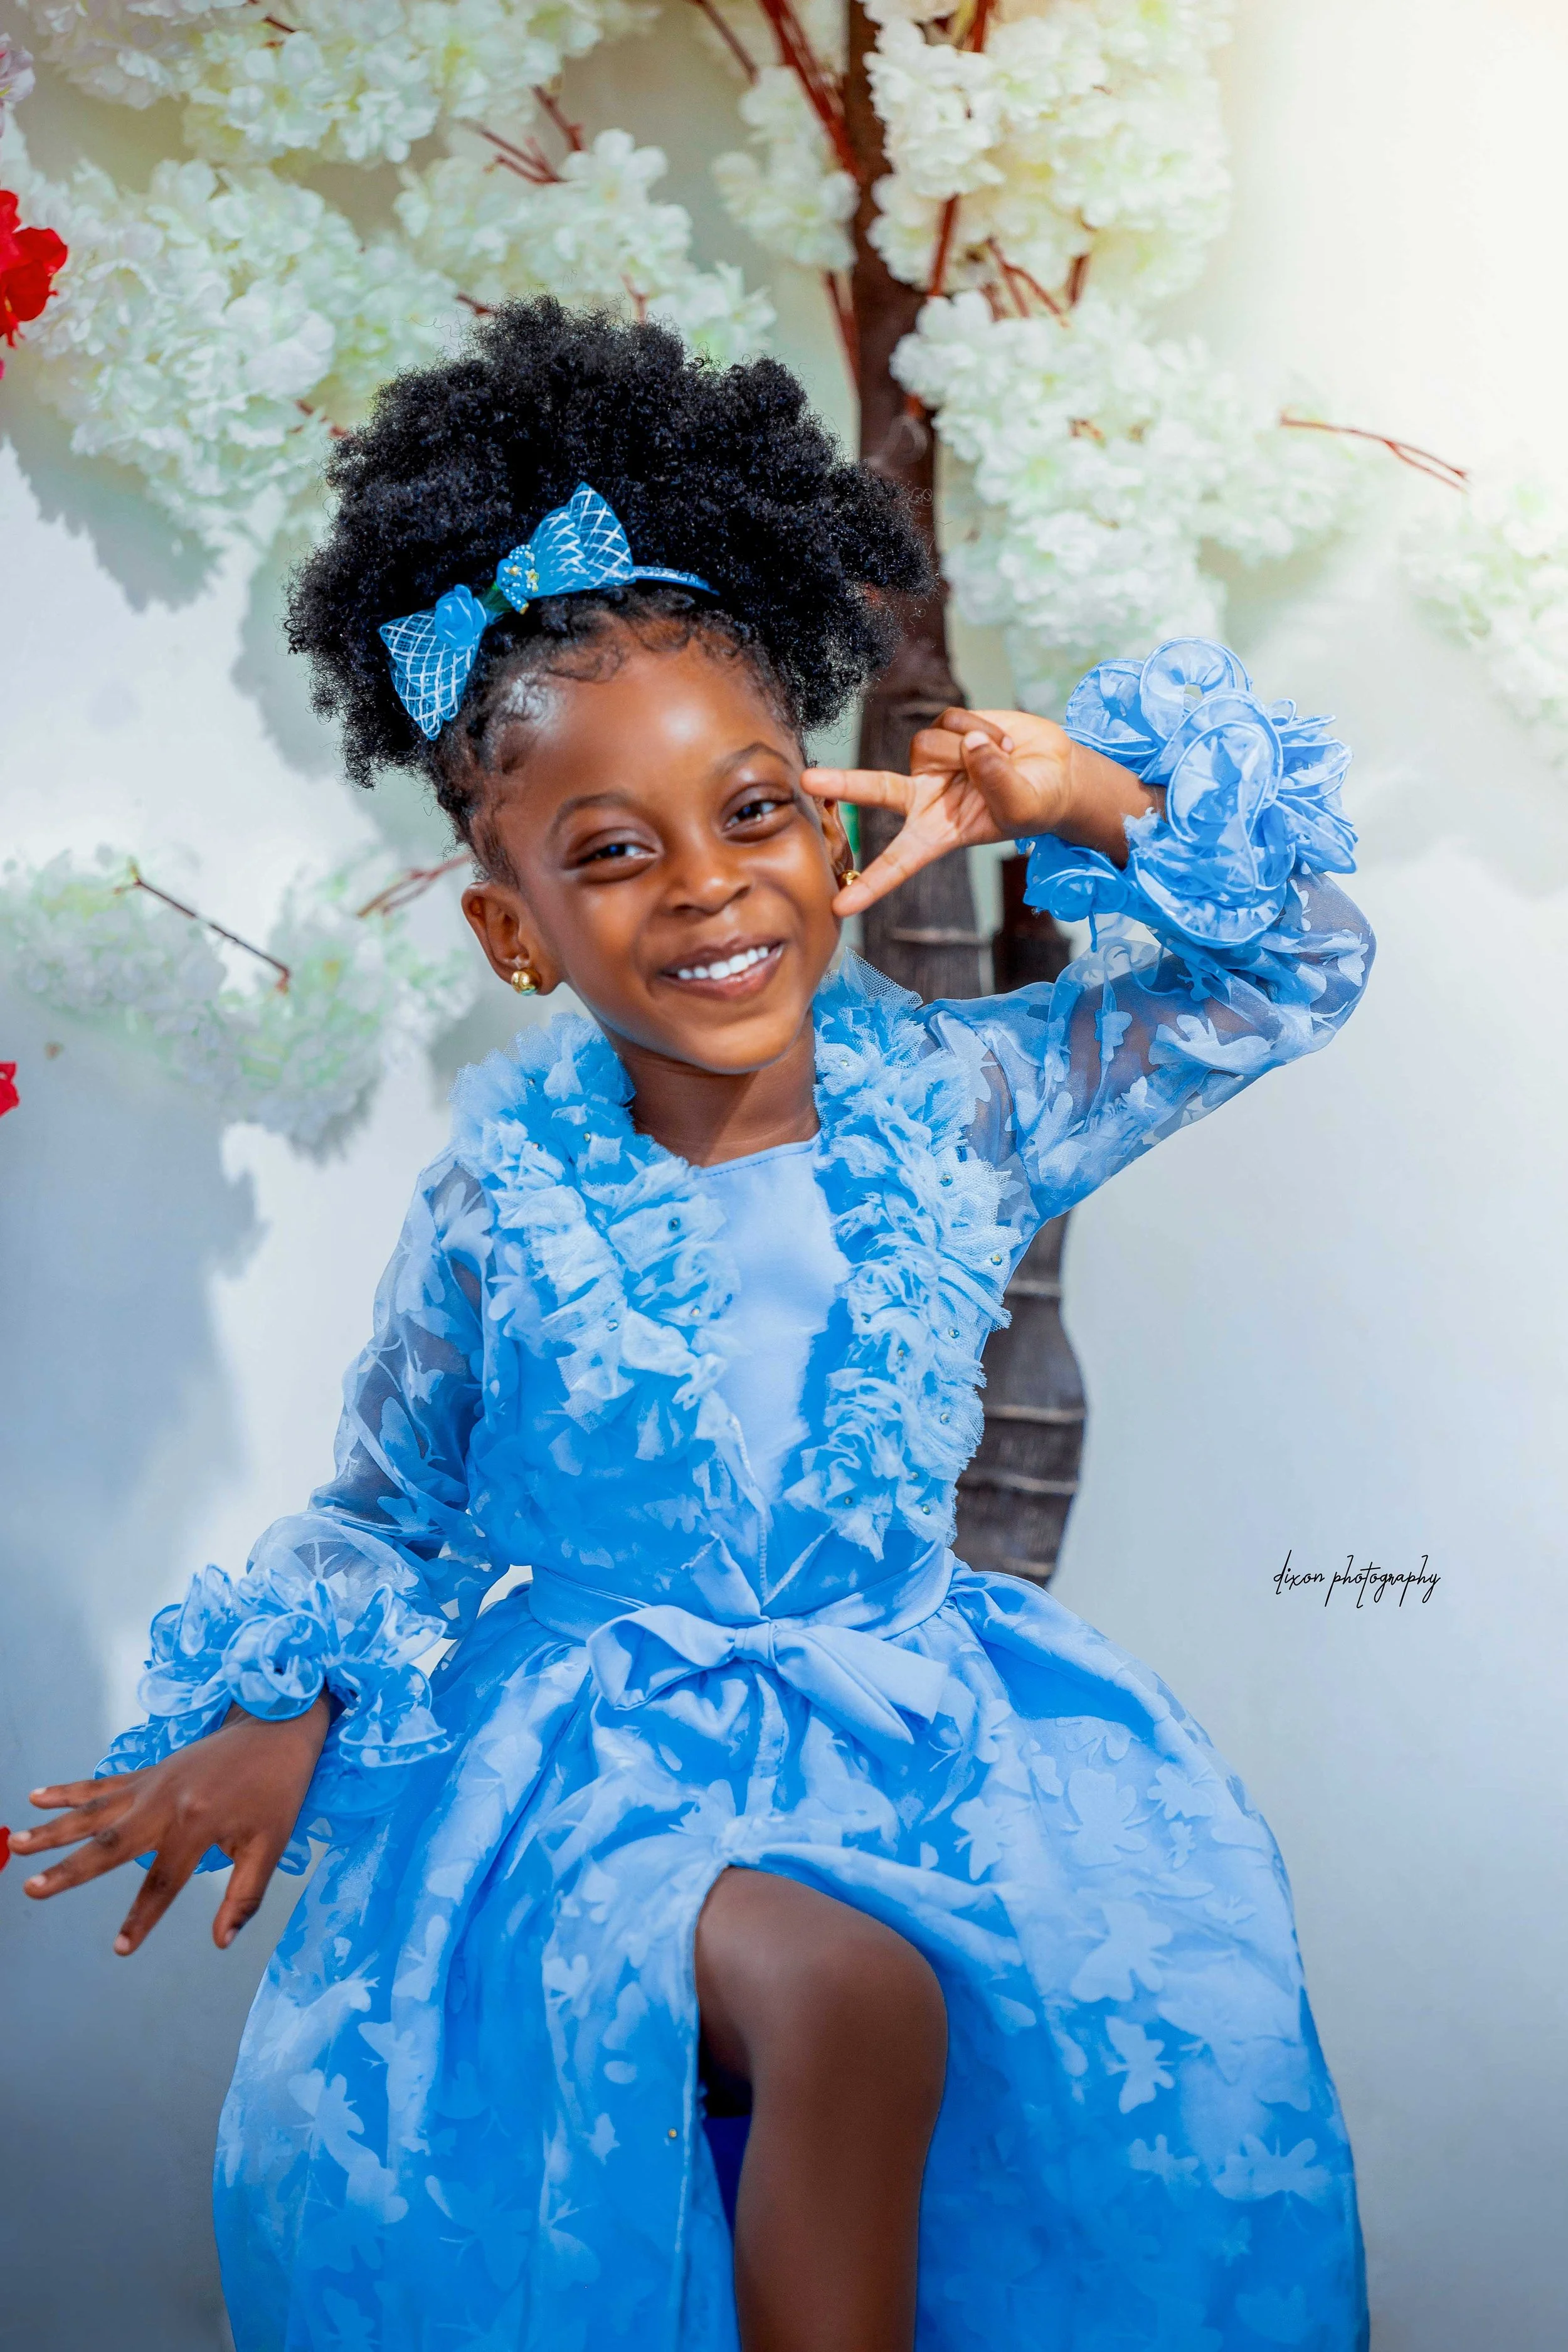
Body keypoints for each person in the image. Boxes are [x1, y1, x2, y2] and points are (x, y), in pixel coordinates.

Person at [13, 301, 1372, 2352]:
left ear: (828, 819)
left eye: (754, 810)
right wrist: (283, 1699)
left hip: (921, 1734)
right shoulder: (508, 1195)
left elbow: (1285, 971)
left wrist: (1076, 789)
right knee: (845, 1991)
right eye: (610, 853)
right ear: (512, 927)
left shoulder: (973, 1101)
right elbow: (392, 1507)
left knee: (1136, 2037)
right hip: (584, 1778)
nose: (713, 890)